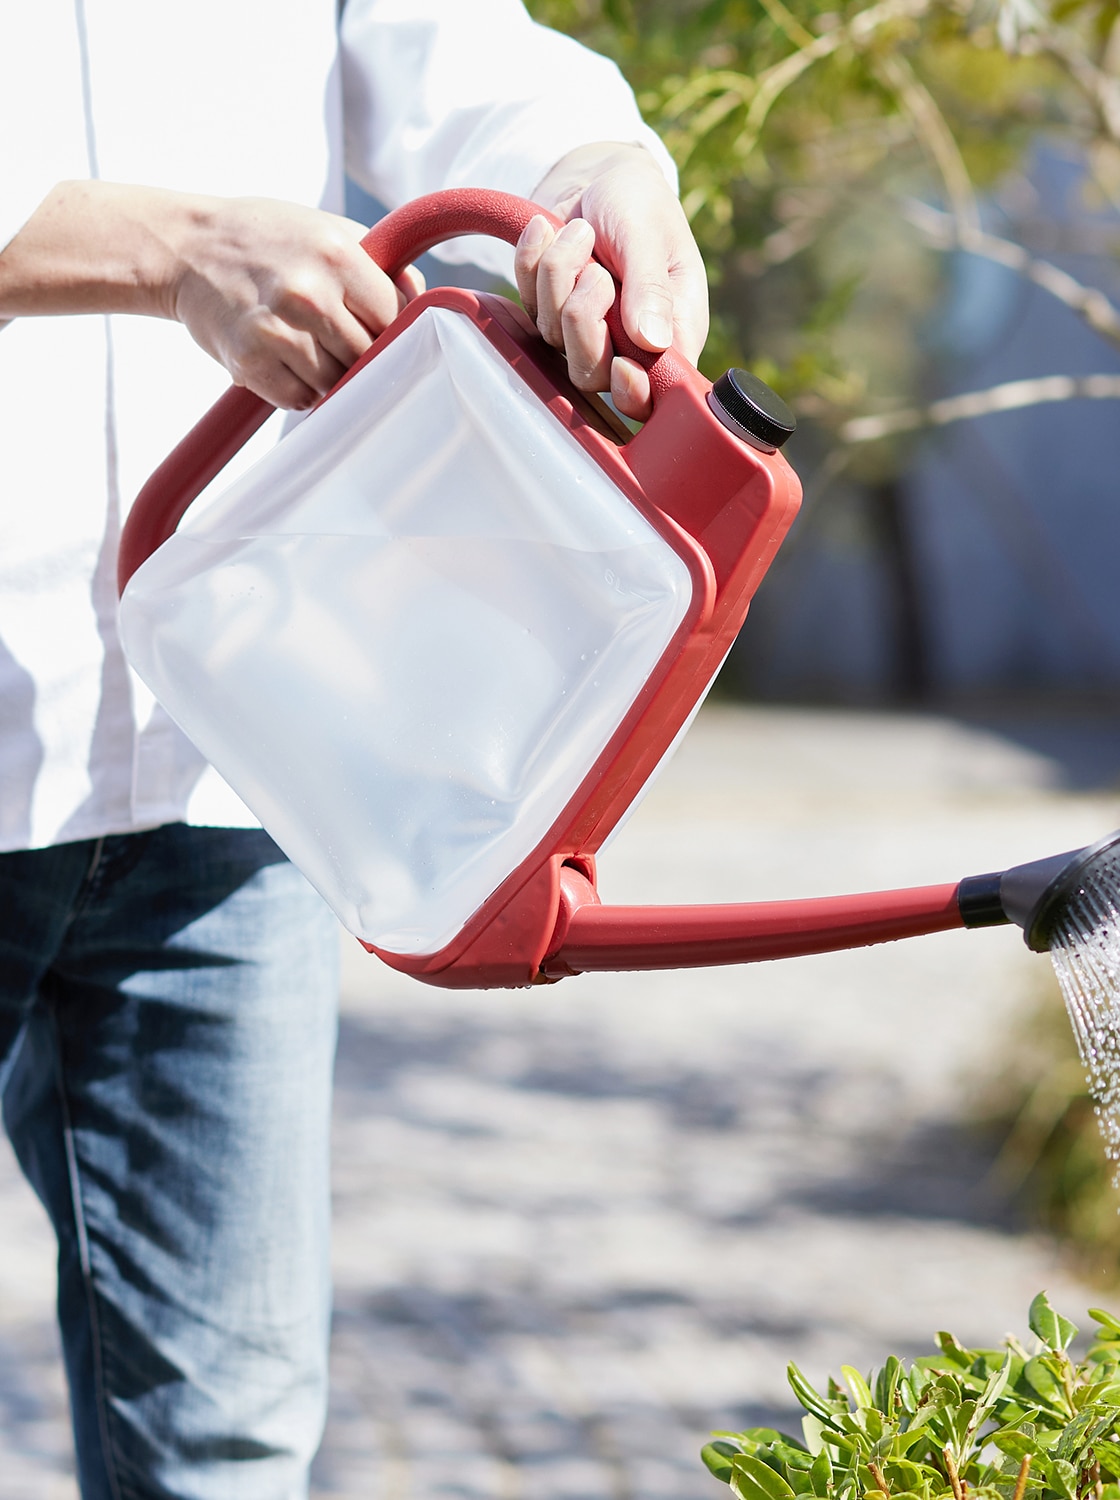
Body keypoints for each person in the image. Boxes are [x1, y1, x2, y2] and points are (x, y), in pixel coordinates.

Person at [0, 2, 708, 1495]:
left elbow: (446, 39)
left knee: (230, 1442)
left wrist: (596, 167)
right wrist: (170, 246)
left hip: (230, 752)